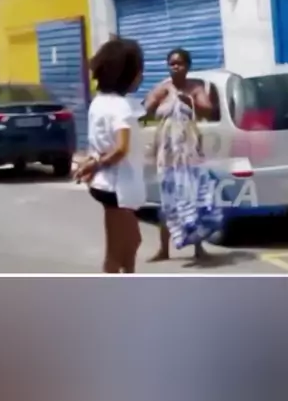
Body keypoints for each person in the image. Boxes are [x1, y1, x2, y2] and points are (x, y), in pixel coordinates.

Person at [75, 38, 145, 274]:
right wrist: (94, 164)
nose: (141, 76)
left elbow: (100, 140)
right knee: (117, 252)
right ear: (126, 74)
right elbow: (121, 148)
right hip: (117, 188)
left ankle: (129, 282)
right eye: (139, 70)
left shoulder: (99, 102)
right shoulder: (120, 107)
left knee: (132, 242)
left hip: (106, 184)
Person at [144, 47, 220, 263]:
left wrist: (191, 102)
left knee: (192, 197)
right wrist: (156, 99)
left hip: (189, 152)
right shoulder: (163, 88)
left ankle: (198, 248)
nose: (176, 67)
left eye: (180, 63)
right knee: (167, 200)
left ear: (188, 66)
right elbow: (147, 110)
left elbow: (209, 111)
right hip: (166, 154)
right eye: (172, 64)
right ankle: (164, 249)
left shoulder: (195, 88)